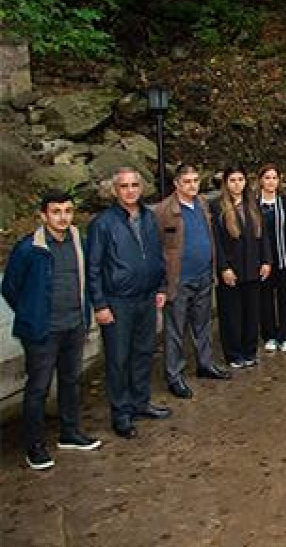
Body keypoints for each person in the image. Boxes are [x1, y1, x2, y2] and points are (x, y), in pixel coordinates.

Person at [3, 190, 102, 469]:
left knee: (71, 381)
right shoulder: (29, 249)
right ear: (44, 215)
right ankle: (34, 446)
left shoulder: (78, 242)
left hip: (74, 325)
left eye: (68, 211)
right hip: (42, 332)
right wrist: (32, 313)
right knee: (38, 387)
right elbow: (10, 287)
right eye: (56, 212)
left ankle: (70, 432)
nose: (62, 217)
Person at [85, 167, 171, 439]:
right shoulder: (103, 223)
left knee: (144, 352)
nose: (130, 190)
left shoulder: (148, 217)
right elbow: (93, 267)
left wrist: (160, 285)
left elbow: (157, 254)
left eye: (135, 185)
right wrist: (99, 304)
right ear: (115, 190)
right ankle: (121, 412)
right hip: (118, 300)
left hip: (146, 296)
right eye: (124, 186)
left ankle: (140, 401)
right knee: (118, 357)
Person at [154, 164, 230, 401]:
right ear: (176, 183)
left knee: (203, 324)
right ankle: (174, 375)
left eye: (196, 180)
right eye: (187, 181)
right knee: (176, 329)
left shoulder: (202, 204)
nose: (192, 185)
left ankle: (205, 363)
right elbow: (158, 247)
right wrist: (163, 284)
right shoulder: (164, 210)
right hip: (179, 279)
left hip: (203, 275)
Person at [213, 165, 270, 368]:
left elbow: (263, 236)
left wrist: (266, 261)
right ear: (226, 183)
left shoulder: (252, 204)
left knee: (251, 312)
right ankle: (233, 353)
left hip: (252, 267)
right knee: (231, 313)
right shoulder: (218, 207)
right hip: (231, 269)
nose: (237, 184)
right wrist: (223, 267)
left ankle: (249, 350)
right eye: (233, 180)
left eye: (240, 180)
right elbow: (216, 242)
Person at [257, 164, 286, 354]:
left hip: (284, 257)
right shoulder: (253, 204)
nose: (271, 182)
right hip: (262, 261)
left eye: (274, 178)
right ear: (260, 180)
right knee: (265, 298)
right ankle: (269, 335)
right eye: (267, 178)